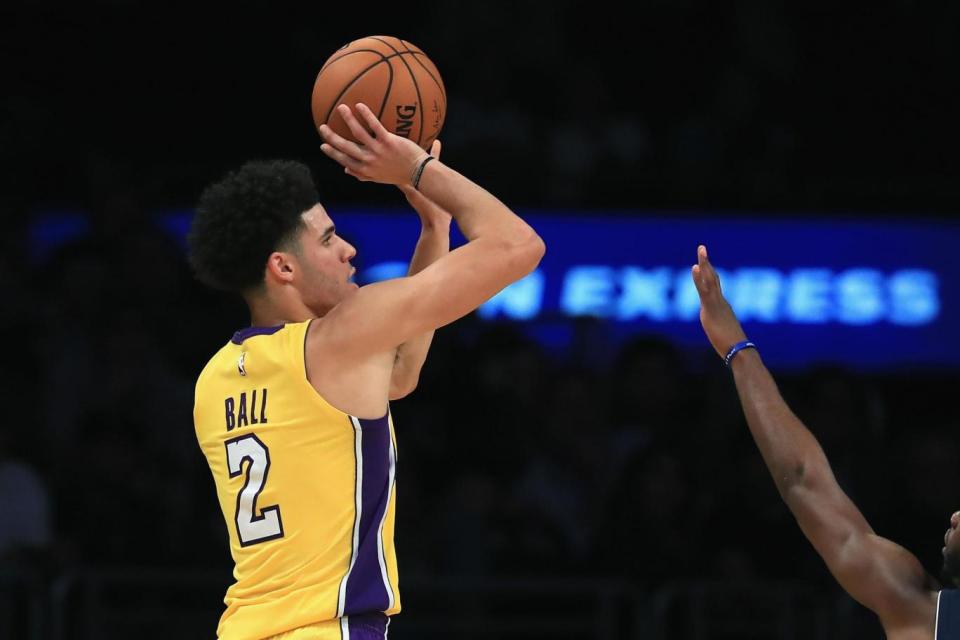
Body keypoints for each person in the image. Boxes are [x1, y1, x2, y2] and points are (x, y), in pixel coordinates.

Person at [188, 103, 545, 640]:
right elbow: (519, 245)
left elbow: (398, 373)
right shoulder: (339, 339)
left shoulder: (214, 379)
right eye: (329, 239)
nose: (350, 250)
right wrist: (420, 170)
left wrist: (434, 226)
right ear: (283, 267)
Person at [692, 244, 958, 639]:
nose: (955, 516)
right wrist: (738, 351)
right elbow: (803, 480)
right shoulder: (924, 611)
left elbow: (802, 482)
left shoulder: (917, 609)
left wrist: (738, 350)